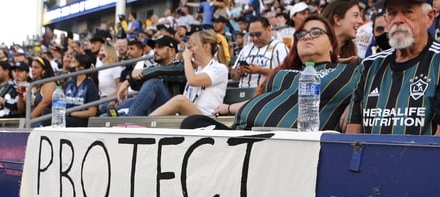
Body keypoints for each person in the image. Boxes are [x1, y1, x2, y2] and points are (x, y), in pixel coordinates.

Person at [345, 0, 440, 135]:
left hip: (424, 155)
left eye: (408, 12)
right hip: (370, 156)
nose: (398, 20)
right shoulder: (369, 66)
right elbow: (353, 137)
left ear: (430, 17)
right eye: (392, 13)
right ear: (385, 20)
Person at [205, 15, 359, 130]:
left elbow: (378, 87)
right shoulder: (283, 73)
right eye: (301, 34)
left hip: (290, 143)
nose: (307, 36)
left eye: (316, 32)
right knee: (194, 123)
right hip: (243, 132)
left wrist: (356, 106)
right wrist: (228, 107)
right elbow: (267, 100)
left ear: (332, 44)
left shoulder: (350, 72)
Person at [150, 30, 229, 116]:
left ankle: (144, 125)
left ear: (206, 46)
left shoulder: (220, 68)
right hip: (189, 116)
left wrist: (187, 59)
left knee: (180, 100)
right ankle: (143, 124)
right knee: (152, 85)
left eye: (194, 45)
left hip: (207, 117)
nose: (190, 49)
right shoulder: (197, 70)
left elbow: (193, 81)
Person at [118, 36, 186, 116]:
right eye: (154, 48)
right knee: (128, 102)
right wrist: (132, 78)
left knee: (154, 83)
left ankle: (128, 121)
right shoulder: (155, 70)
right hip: (155, 110)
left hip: (174, 113)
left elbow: (158, 71)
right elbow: (136, 86)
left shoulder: (180, 66)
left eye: (159, 47)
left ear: (171, 51)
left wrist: (127, 83)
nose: (155, 50)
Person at [230, 17, 289, 88]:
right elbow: (234, 77)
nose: (254, 38)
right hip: (243, 93)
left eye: (258, 34)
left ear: (268, 30)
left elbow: (285, 75)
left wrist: (260, 70)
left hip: (267, 93)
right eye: (251, 35)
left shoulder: (279, 47)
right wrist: (238, 72)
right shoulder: (246, 48)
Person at [63, 53, 100, 127]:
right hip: (66, 117)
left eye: (73, 62)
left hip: (81, 120)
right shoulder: (69, 83)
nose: (70, 64)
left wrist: (70, 113)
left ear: (81, 67)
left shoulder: (90, 85)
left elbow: (92, 112)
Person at [17, 56, 57, 124]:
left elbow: (45, 103)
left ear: (44, 70)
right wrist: (20, 96)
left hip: (42, 122)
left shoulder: (50, 83)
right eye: (32, 67)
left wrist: (28, 121)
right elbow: (21, 110)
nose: (32, 70)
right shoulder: (32, 85)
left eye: (36, 67)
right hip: (30, 121)